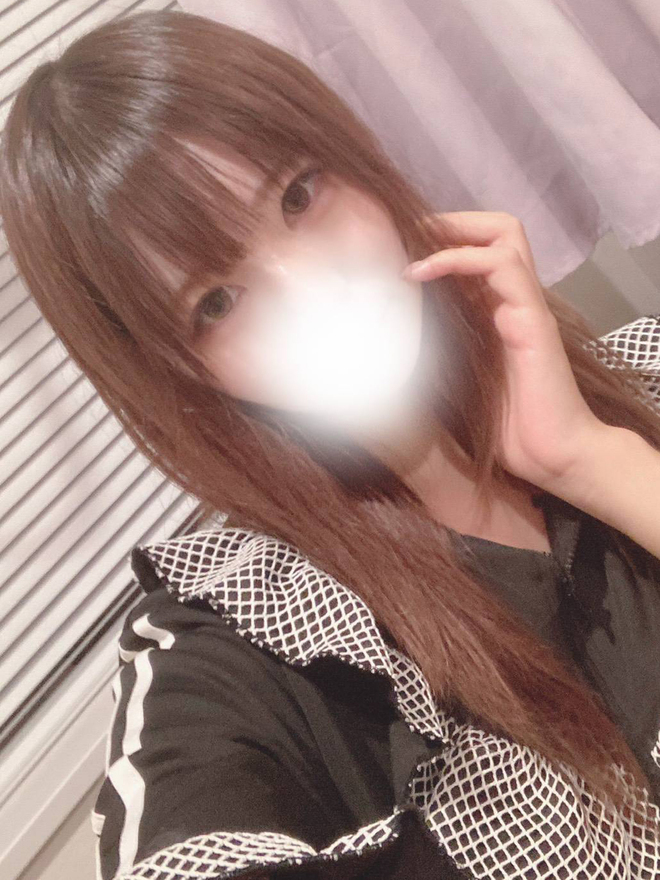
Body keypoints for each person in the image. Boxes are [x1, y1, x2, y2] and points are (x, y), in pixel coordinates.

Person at [2, 9, 660, 879]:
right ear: (181, 374)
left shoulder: (638, 377)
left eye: (299, 195)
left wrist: (592, 460)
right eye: (216, 302)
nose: (312, 289)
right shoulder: (259, 637)